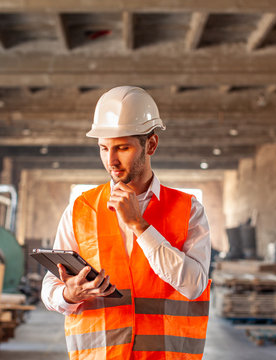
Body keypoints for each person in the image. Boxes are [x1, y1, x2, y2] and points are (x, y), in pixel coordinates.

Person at [41, 86, 211, 360]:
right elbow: (50, 288)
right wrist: (69, 294)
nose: (111, 161)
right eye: (104, 148)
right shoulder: (80, 208)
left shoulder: (188, 209)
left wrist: (139, 226)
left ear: (151, 144)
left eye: (122, 148)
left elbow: (195, 285)